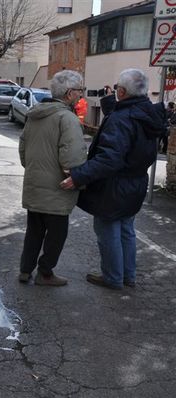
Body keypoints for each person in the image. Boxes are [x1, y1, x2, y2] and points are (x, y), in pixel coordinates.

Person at [60, 69, 166, 290]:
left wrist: (79, 176)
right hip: (136, 183)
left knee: (107, 229)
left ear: (122, 91)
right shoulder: (147, 112)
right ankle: (128, 276)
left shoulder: (121, 118)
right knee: (126, 229)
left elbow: (109, 157)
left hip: (115, 186)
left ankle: (113, 278)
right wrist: (111, 100)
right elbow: (125, 121)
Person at [18, 70, 88, 286]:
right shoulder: (67, 118)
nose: (81, 96)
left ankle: (25, 270)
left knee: (34, 231)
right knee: (56, 235)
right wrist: (78, 178)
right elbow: (72, 156)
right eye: (79, 91)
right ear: (69, 93)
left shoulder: (35, 114)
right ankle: (45, 273)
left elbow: (23, 149)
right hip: (57, 189)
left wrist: (34, 168)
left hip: (34, 185)